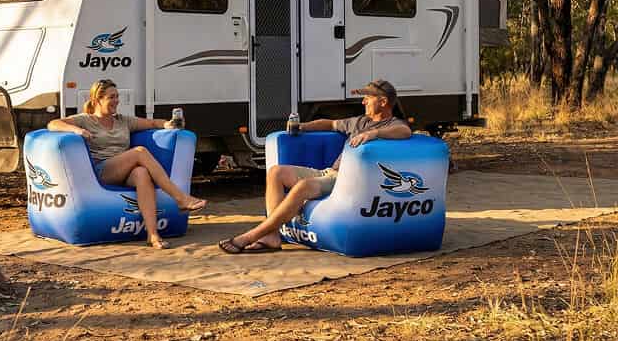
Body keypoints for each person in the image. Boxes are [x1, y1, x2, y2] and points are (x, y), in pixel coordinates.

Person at [218, 79, 411, 254]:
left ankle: (251, 236)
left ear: (383, 102)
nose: (363, 102)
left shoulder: (393, 124)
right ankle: (271, 236)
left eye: (368, 98)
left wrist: (374, 134)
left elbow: (404, 131)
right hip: (329, 173)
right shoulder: (360, 121)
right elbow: (330, 124)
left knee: (303, 186)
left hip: (346, 179)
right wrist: (302, 127)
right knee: (276, 172)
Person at [47, 79, 206, 250]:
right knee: (139, 152)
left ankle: (153, 235)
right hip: (102, 170)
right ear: (97, 100)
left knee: (142, 173)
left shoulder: (123, 120)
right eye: (111, 97)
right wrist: (77, 130)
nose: (116, 101)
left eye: (117, 96)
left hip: (125, 170)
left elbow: (152, 123)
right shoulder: (86, 120)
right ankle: (180, 198)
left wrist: (169, 125)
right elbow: (53, 123)